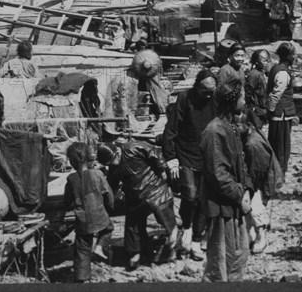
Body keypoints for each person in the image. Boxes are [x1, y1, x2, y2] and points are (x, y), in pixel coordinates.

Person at [200, 77, 253, 282]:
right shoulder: (214, 131)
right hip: (221, 206)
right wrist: (240, 195)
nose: (245, 100)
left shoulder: (230, 127)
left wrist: (247, 189)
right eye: (242, 96)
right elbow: (217, 174)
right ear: (233, 100)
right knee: (220, 262)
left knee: (238, 256)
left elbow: (242, 164)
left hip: (235, 203)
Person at [161, 70, 217, 260]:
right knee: (190, 195)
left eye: (212, 91)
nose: (208, 95)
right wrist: (171, 157)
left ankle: (195, 241)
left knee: (203, 200)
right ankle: (186, 227)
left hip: (208, 156)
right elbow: (171, 128)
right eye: (205, 91)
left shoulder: (215, 100)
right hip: (186, 154)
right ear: (197, 87)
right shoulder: (185, 99)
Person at [97, 140, 178, 270]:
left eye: (111, 161)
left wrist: (162, 169)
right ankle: (136, 253)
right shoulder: (113, 168)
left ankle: (174, 242)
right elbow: (111, 185)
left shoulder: (132, 147)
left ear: (117, 153)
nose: (111, 165)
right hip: (135, 198)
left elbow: (154, 153)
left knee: (165, 214)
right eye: (108, 164)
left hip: (155, 189)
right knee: (132, 224)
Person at [63, 142, 114, 283]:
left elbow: (66, 201)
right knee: (109, 228)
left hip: (82, 220)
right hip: (100, 216)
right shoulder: (97, 174)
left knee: (82, 249)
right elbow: (109, 197)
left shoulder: (71, 179)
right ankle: (99, 247)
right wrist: (109, 209)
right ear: (88, 158)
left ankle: (82, 278)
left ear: (72, 162)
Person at [234, 110, 283, 254]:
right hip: (253, 177)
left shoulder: (253, 144)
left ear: (247, 125)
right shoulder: (247, 135)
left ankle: (261, 236)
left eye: (237, 125)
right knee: (248, 210)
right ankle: (250, 235)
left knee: (255, 208)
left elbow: (258, 171)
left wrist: (249, 189)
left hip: (260, 181)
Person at [266, 43, 297, 175]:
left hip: (280, 113)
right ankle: (279, 173)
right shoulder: (283, 73)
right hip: (281, 114)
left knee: (277, 144)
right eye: (293, 55)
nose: (295, 57)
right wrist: (271, 110)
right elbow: (276, 94)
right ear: (288, 56)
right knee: (281, 146)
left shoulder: (276, 68)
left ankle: (276, 172)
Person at [245, 50, 271, 129]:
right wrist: (251, 107)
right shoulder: (254, 74)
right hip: (256, 110)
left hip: (261, 109)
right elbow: (248, 92)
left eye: (267, 61)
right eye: (264, 61)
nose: (266, 63)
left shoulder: (261, 74)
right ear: (256, 62)